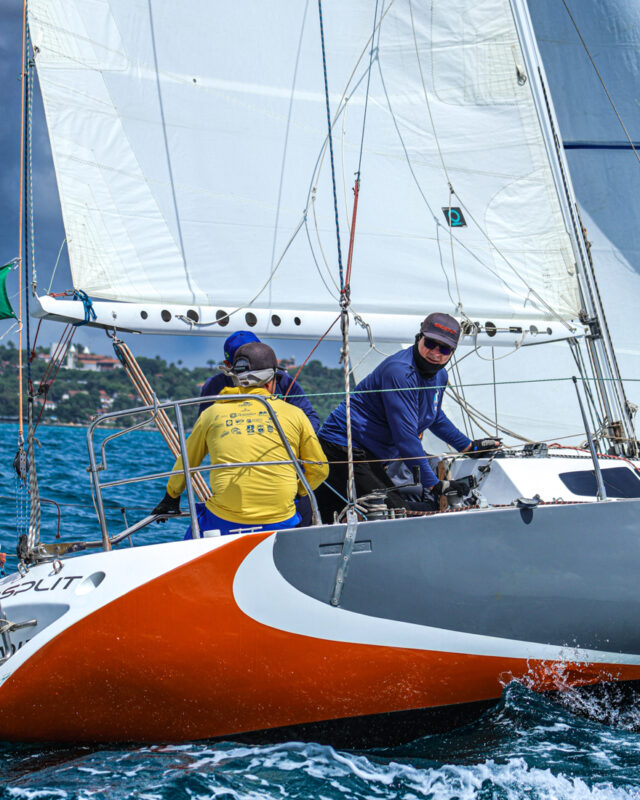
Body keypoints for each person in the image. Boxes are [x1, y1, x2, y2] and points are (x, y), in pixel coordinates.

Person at [315, 312, 501, 521]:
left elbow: (433, 416)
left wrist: (468, 447)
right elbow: (405, 438)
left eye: (444, 349)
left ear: (452, 352)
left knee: (340, 516)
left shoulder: (439, 375)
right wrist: (434, 485)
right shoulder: (399, 372)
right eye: (430, 343)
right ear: (419, 338)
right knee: (393, 513)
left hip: (370, 454)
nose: (435, 353)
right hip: (343, 448)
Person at [151, 342, 329, 536]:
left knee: (194, 532)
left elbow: (186, 462)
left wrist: (171, 496)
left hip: (223, 520)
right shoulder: (295, 414)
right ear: (270, 381)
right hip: (280, 520)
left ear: (235, 379)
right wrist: (298, 491)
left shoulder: (211, 414)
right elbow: (319, 469)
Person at [198, 330, 320, 431]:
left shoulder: (282, 380)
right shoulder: (214, 385)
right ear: (228, 365)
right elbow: (205, 426)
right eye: (243, 365)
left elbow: (310, 419)